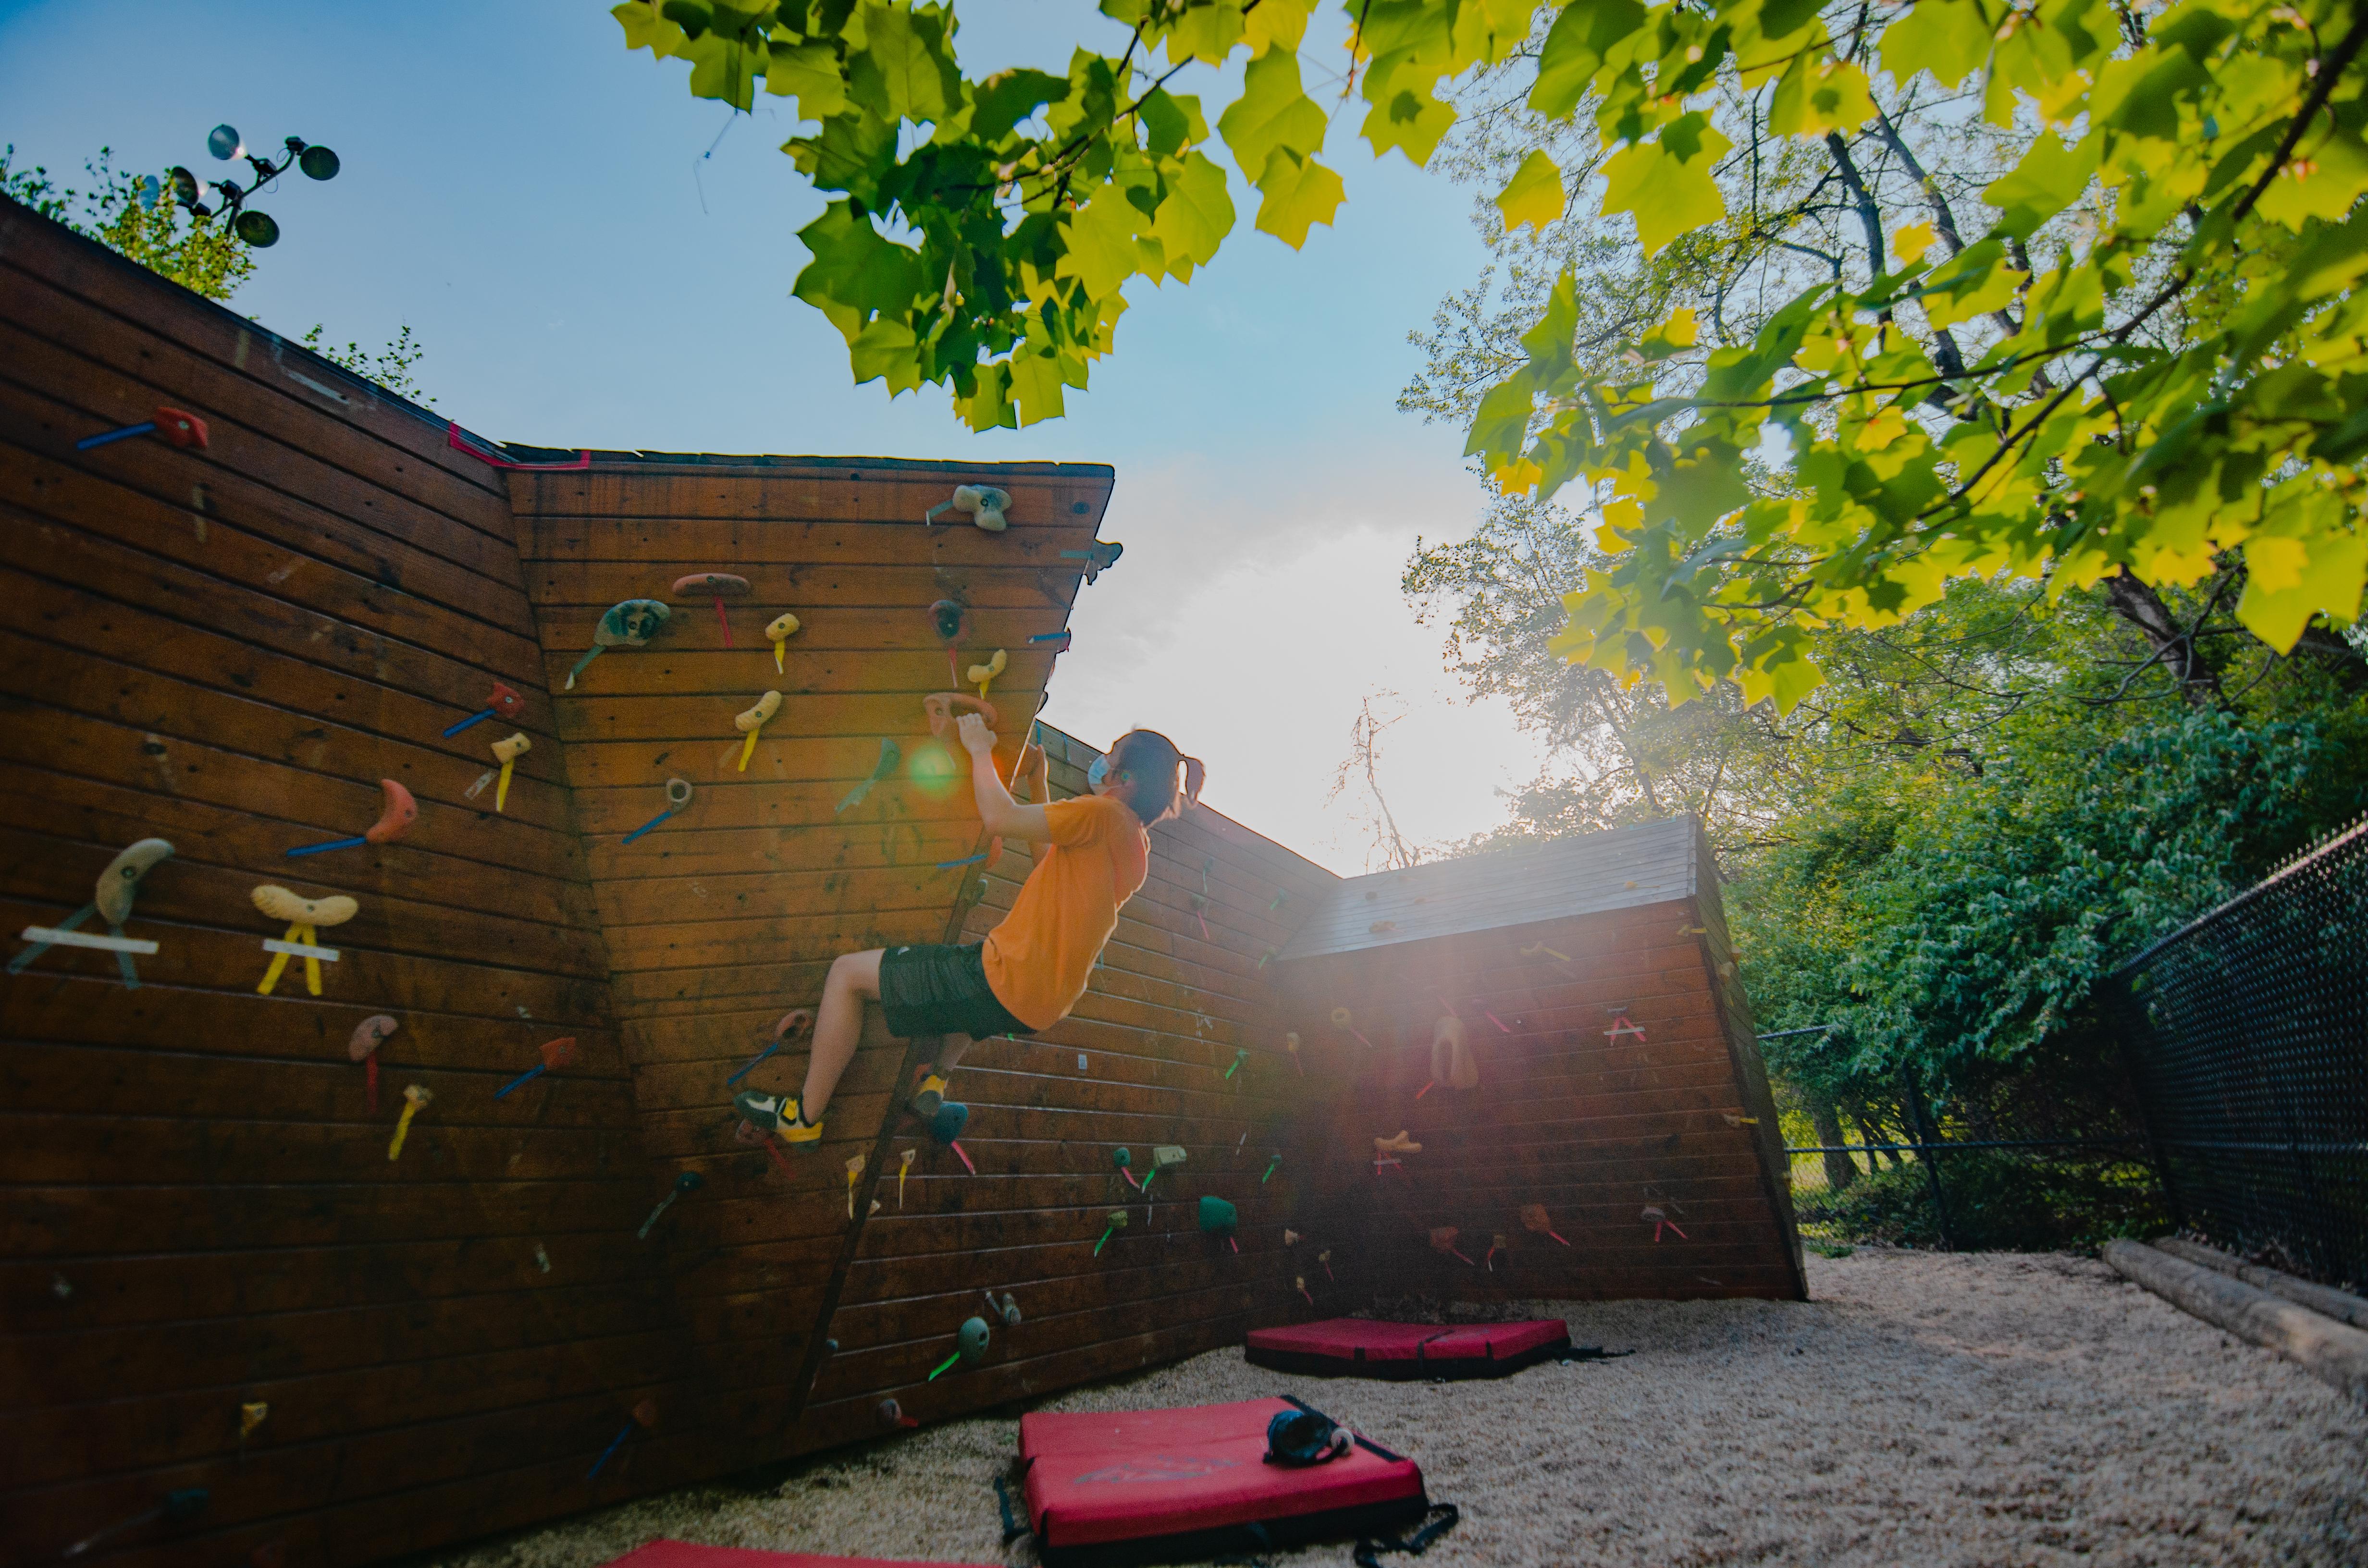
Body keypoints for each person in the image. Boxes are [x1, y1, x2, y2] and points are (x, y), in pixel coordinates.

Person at [734, 715, 1205, 1145]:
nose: (1102, 762)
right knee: (975, 993)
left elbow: (999, 818)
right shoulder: (1133, 846)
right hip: (1041, 1004)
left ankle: (804, 1118)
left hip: (1006, 980)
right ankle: (936, 1079)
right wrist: (1039, 781)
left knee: (846, 976)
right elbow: (1046, 858)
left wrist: (979, 748)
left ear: (1124, 779)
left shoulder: (1101, 814)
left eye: (1113, 752)